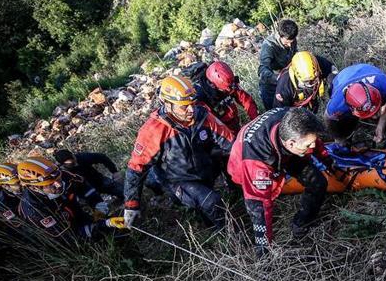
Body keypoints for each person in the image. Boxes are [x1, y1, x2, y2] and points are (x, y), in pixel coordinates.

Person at [122, 75, 235, 230]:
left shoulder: (202, 116)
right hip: (178, 180)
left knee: (209, 198)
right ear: (168, 105)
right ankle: (233, 235)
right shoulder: (153, 131)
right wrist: (131, 205)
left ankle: (209, 223)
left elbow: (230, 143)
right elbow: (136, 168)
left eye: (192, 104)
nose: (191, 110)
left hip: (204, 170)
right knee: (212, 201)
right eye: (184, 106)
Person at [227, 107, 333, 256]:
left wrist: (325, 158)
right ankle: (262, 252)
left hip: (285, 152)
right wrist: (264, 250)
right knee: (259, 207)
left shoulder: (294, 119)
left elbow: (313, 139)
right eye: (309, 146)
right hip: (247, 161)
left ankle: (301, 224)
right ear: (290, 143)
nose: (313, 147)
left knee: (318, 182)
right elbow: (260, 208)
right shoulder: (255, 160)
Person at [17, 157, 125, 240]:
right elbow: (69, 236)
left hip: (75, 213)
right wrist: (105, 225)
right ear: (34, 187)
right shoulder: (33, 209)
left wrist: (98, 205)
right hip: (60, 238)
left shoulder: (61, 175)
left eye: (58, 179)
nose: (59, 185)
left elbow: (85, 187)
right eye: (51, 184)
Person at [324, 63, 386, 144]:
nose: (375, 117)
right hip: (342, 77)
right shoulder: (337, 105)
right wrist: (338, 138)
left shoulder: (384, 83)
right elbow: (328, 118)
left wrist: (381, 123)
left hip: (364, 69)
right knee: (343, 124)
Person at [196, 61, 259, 132]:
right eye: (226, 89)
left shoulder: (228, 80)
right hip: (221, 131)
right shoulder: (202, 100)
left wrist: (256, 120)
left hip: (234, 122)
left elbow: (246, 100)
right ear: (212, 85)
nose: (230, 89)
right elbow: (213, 127)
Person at [273, 51, 337, 113]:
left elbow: (334, 74)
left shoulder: (318, 63)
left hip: (312, 99)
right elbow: (280, 112)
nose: (311, 84)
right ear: (297, 75)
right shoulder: (284, 86)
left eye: (313, 79)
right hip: (295, 107)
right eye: (307, 81)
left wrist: (333, 90)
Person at [258, 19, 298, 109]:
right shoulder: (268, 45)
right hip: (270, 87)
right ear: (280, 36)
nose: (290, 45)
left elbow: (295, 56)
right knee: (275, 115)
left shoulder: (291, 39)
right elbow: (262, 70)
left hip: (286, 82)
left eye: (292, 42)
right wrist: (279, 78)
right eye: (287, 42)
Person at [54, 149, 123, 198]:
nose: (75, 164)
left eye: (74, 161)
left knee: (125, 192)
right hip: (85, 192)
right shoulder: (61, 173)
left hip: (99, 181)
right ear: (63, 165)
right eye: (71, 164)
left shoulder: (82, 157)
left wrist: (114, 172)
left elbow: (102, 157)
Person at [0, 163, 26, 230]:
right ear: (5, 186)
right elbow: (19, 224)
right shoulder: (3, 206)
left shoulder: (21, 189)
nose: (22, 184)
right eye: (17, 183)